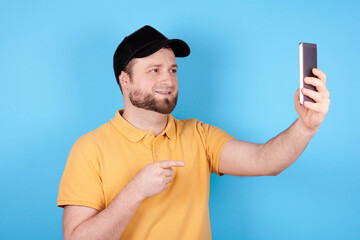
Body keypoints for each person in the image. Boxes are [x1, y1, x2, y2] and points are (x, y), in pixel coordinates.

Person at [57, 25, 330, 240]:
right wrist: (134, 192)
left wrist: (306, 126)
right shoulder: (89, 149)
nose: (168, 79)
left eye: (173, 70)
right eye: (154, 70)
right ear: (125, 80)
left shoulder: (199, 135)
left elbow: (265, 160)